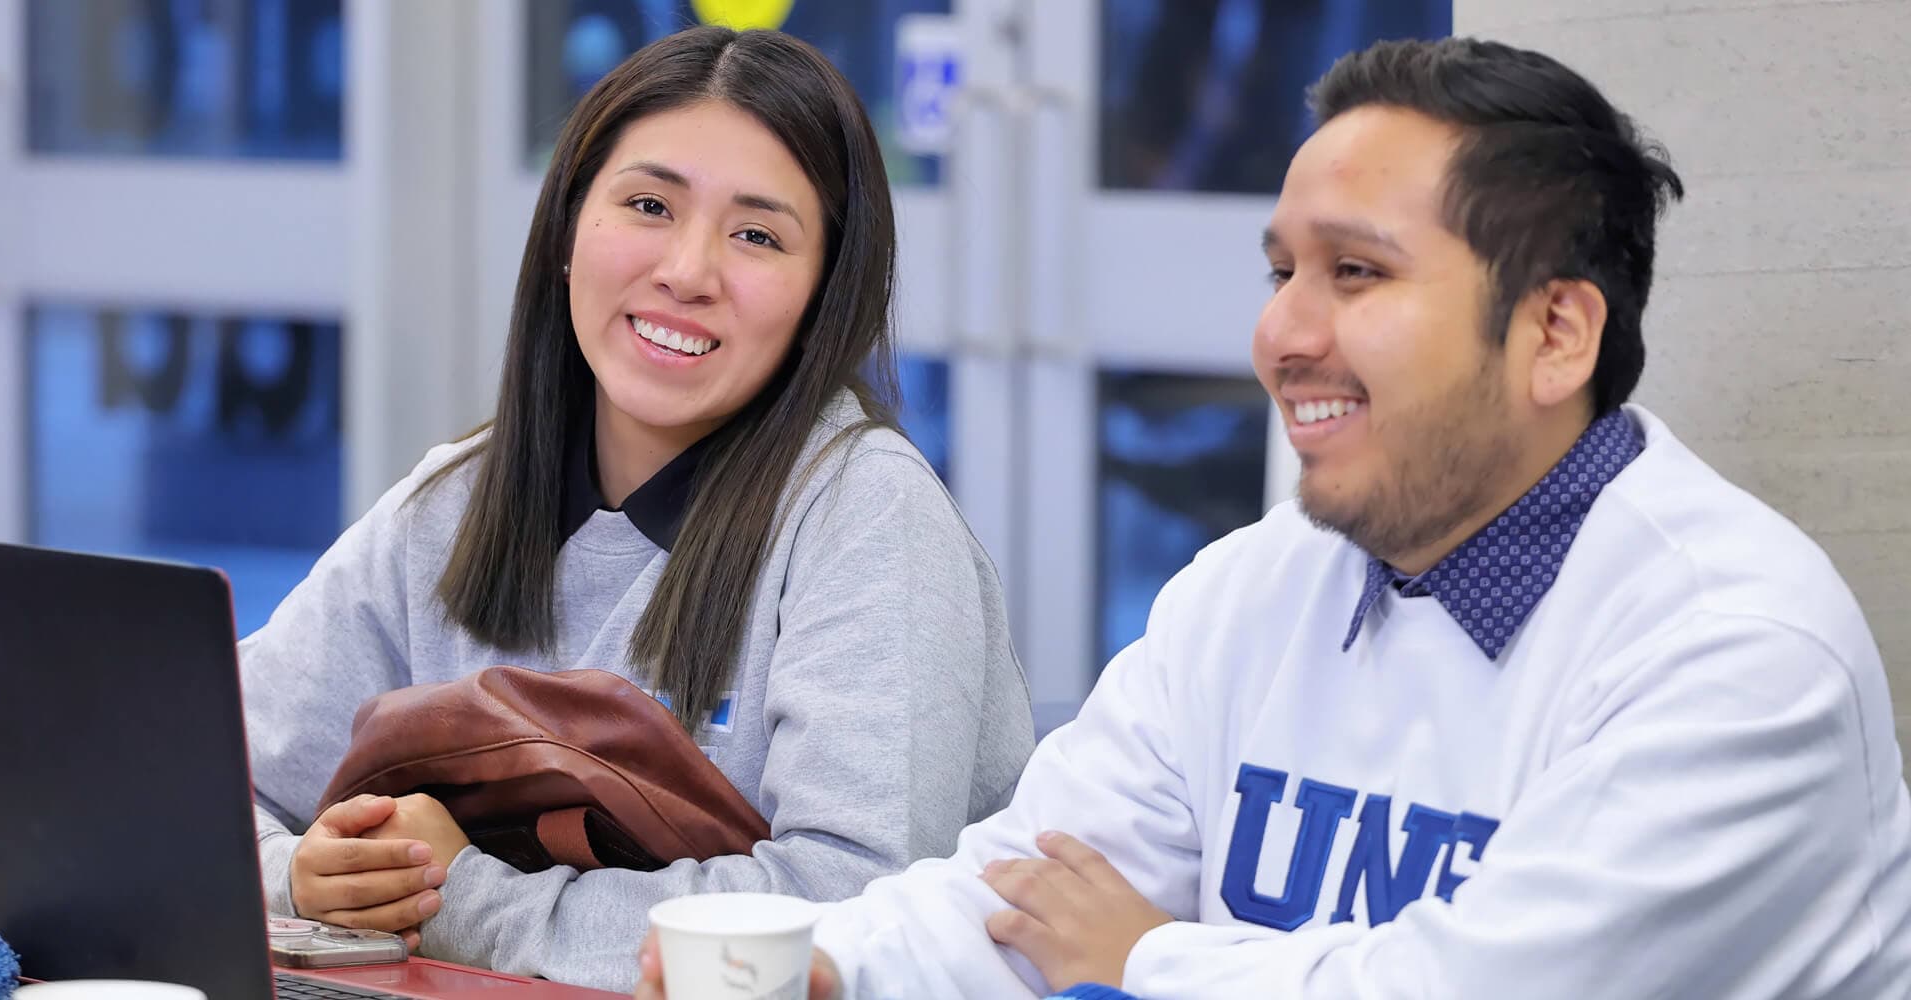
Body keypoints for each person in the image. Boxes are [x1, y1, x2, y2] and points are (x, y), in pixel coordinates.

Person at [636, 36, 1911, 999]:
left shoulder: (1737, 654)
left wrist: (1148, 956)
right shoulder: (1254, 587)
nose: (1280, 335)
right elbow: (1022, 885)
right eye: (1279, 271)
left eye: (1354, 273)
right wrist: (814, 966)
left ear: (1554, 331)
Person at [240, 25, 1035, 993]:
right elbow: (202, 770)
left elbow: (846, 909)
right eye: (648, 205)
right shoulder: (454, 501)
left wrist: (462, 896)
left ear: (824, 297)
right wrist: (308, 878)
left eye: (756, 234)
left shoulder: (868, 519)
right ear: (569, 234)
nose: (687, 270)